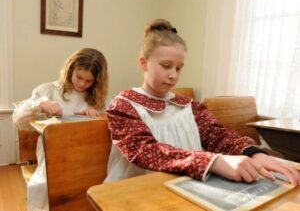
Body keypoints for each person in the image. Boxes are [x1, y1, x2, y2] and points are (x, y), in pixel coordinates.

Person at [104, 19, 300, 187]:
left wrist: (255, 154)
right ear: (143, 63)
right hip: (136, 193)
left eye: (179, 68)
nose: (173, 75)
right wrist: (214, 161)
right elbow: (146, 151)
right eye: (166, 66)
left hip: (187, 187)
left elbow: (219, 136)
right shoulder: (123, 105)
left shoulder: (188, 106)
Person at [13, 48, 108, 211]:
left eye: (89, 81)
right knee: (46, 193)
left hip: (89, 163)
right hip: (54, 163)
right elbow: (18, 121)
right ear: (71, 69)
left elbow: (111, 132)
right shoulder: (48, 90)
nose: (82, 84)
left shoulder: (100, 98)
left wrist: (98, 117)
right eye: (79, 77)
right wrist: (38, 105)